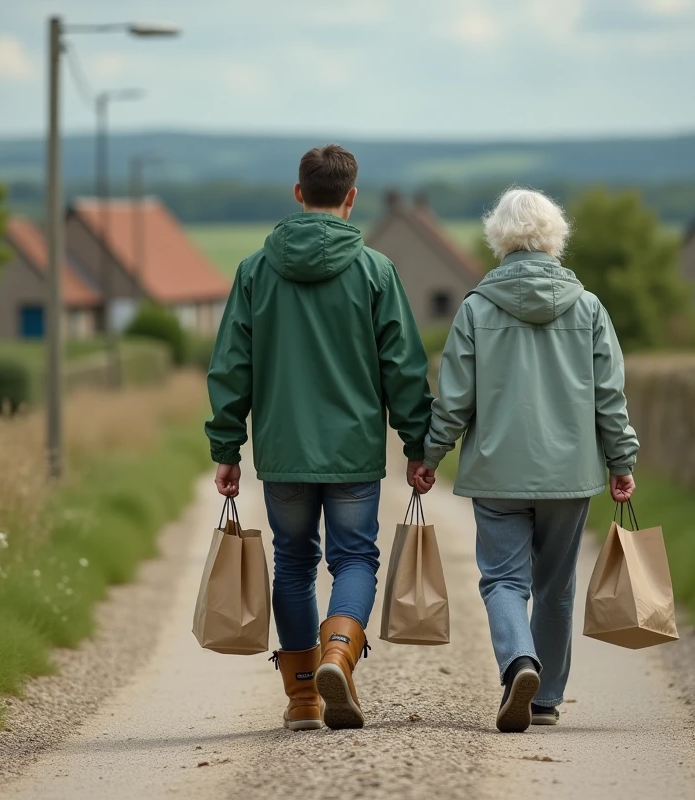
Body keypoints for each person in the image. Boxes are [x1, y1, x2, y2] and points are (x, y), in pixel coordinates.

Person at [205, 145, 433, 732]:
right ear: (351, 198)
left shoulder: (255, 270)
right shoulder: (376, 271)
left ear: (299, 193)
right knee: (354, 556)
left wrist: (227, 447)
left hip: (283, 452)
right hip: (354, 451)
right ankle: (339, 656)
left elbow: (231, 366)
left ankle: (304, 697)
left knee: (294, 562)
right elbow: (403, 366)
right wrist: (417, 443)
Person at [412, 187, 638, 733]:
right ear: (555, 237)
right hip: (570, 474)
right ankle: (545, 699)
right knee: (555, 585)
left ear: (499, 239)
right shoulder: (587, 308)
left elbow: (455, 397)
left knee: (503, 581)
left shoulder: (475, 309)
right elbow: (609, 395)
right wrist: (621, 460)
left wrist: (430, 454)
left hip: (497, 472)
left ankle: (519, 663)